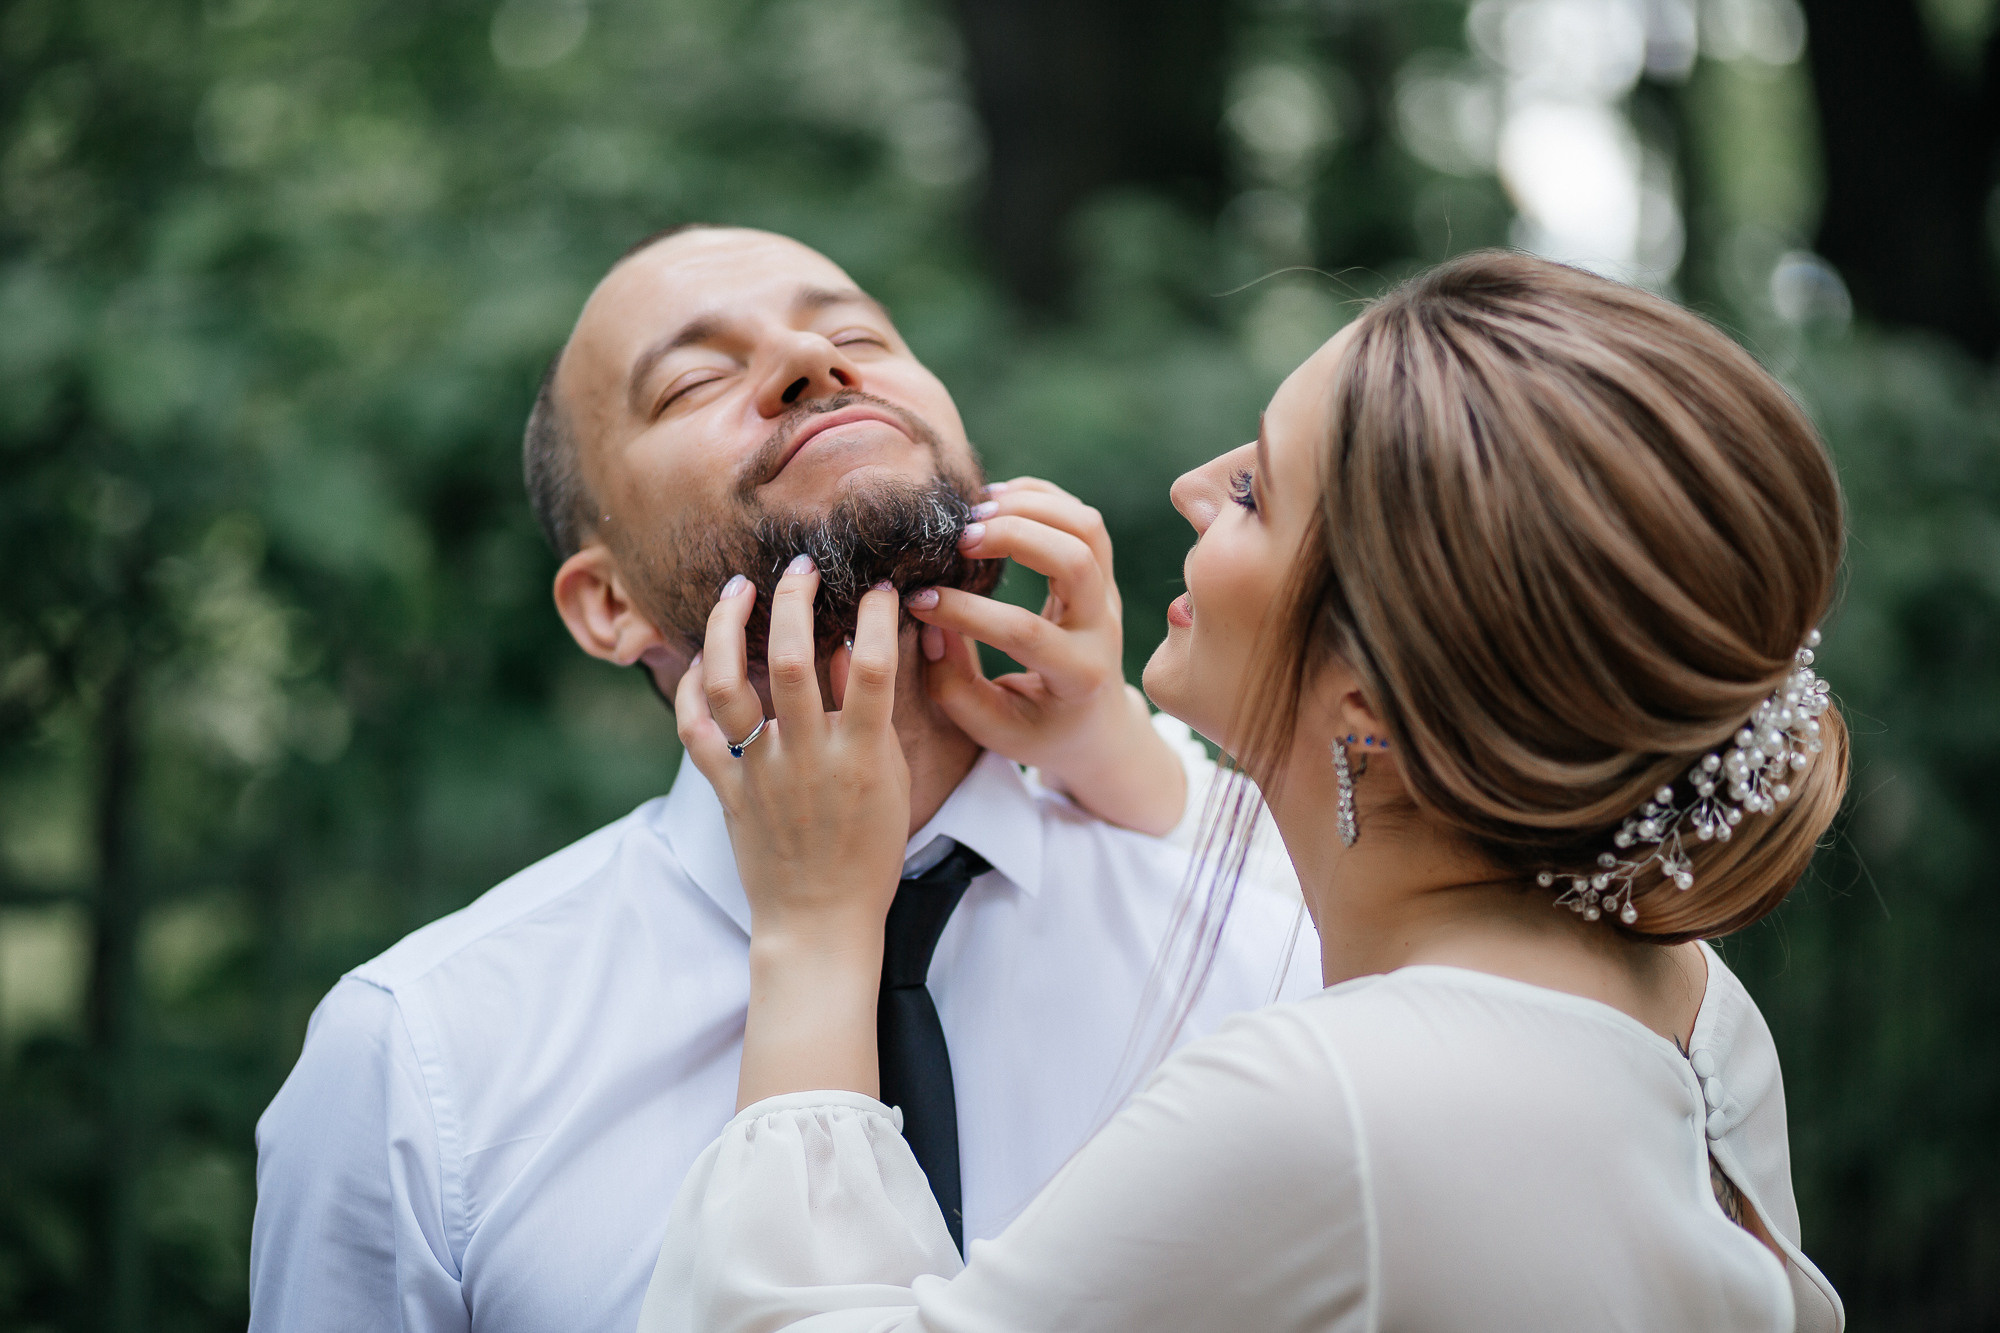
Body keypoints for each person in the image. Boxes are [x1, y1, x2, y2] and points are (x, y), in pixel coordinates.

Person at [644, 250, 1848, 1331]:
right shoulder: (1680, 996)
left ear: (1367, 709)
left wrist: (811, 930)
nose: (1188, 486)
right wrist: (1116, 745)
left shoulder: (1326, 1108)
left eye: (1255, 496)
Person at [245, 224, 1317, 1333]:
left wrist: (1120, 746)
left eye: (855, 332)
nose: (814, 362)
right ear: (606, 604)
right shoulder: (416, 1062)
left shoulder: (1280, 919)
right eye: (695, 377)